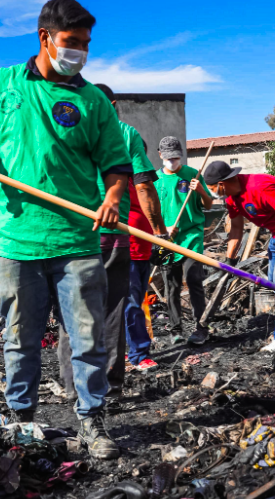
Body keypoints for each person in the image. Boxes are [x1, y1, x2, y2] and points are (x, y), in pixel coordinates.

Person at [0, 0, 131, 460]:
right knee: (20, 339)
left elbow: (117, 166)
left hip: (77, 240)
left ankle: (93, 422)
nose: (80, 53)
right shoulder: (2, 85)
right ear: (44, 38)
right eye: (72, 43)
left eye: (86, 45)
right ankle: (21, 422)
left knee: (88, 338)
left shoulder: (93, 101)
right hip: (16, 238)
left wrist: (113, 197)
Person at [58, 84, 163, 392]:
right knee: (114, 310)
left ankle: (73, 386)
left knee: (72, 309)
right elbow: (143, 186)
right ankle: (111, 385)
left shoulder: (64, 130)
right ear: (113, 104)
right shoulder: (125, 133)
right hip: (113, 235)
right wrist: (159, 231)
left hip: (73, 234)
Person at [203, 161, 275, 352]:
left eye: (211, 188)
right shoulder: (232, 199)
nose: (211, 192)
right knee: (273, 282)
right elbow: (236, 229)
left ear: (221, 184)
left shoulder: (260, 188)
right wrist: (230, 260)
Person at [154, 136, 214, 345]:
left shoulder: (192, 175)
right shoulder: (155, 180)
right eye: (169, 158)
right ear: (160, 155)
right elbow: (150, 212)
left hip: (191, 237)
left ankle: (201, 327)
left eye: (176, 157)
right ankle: (175, 330)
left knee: (194, 280)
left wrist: (200, 191)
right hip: (165, 240)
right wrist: (163, 229)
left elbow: (208, 204)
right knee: (171, 285)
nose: (173, 161)